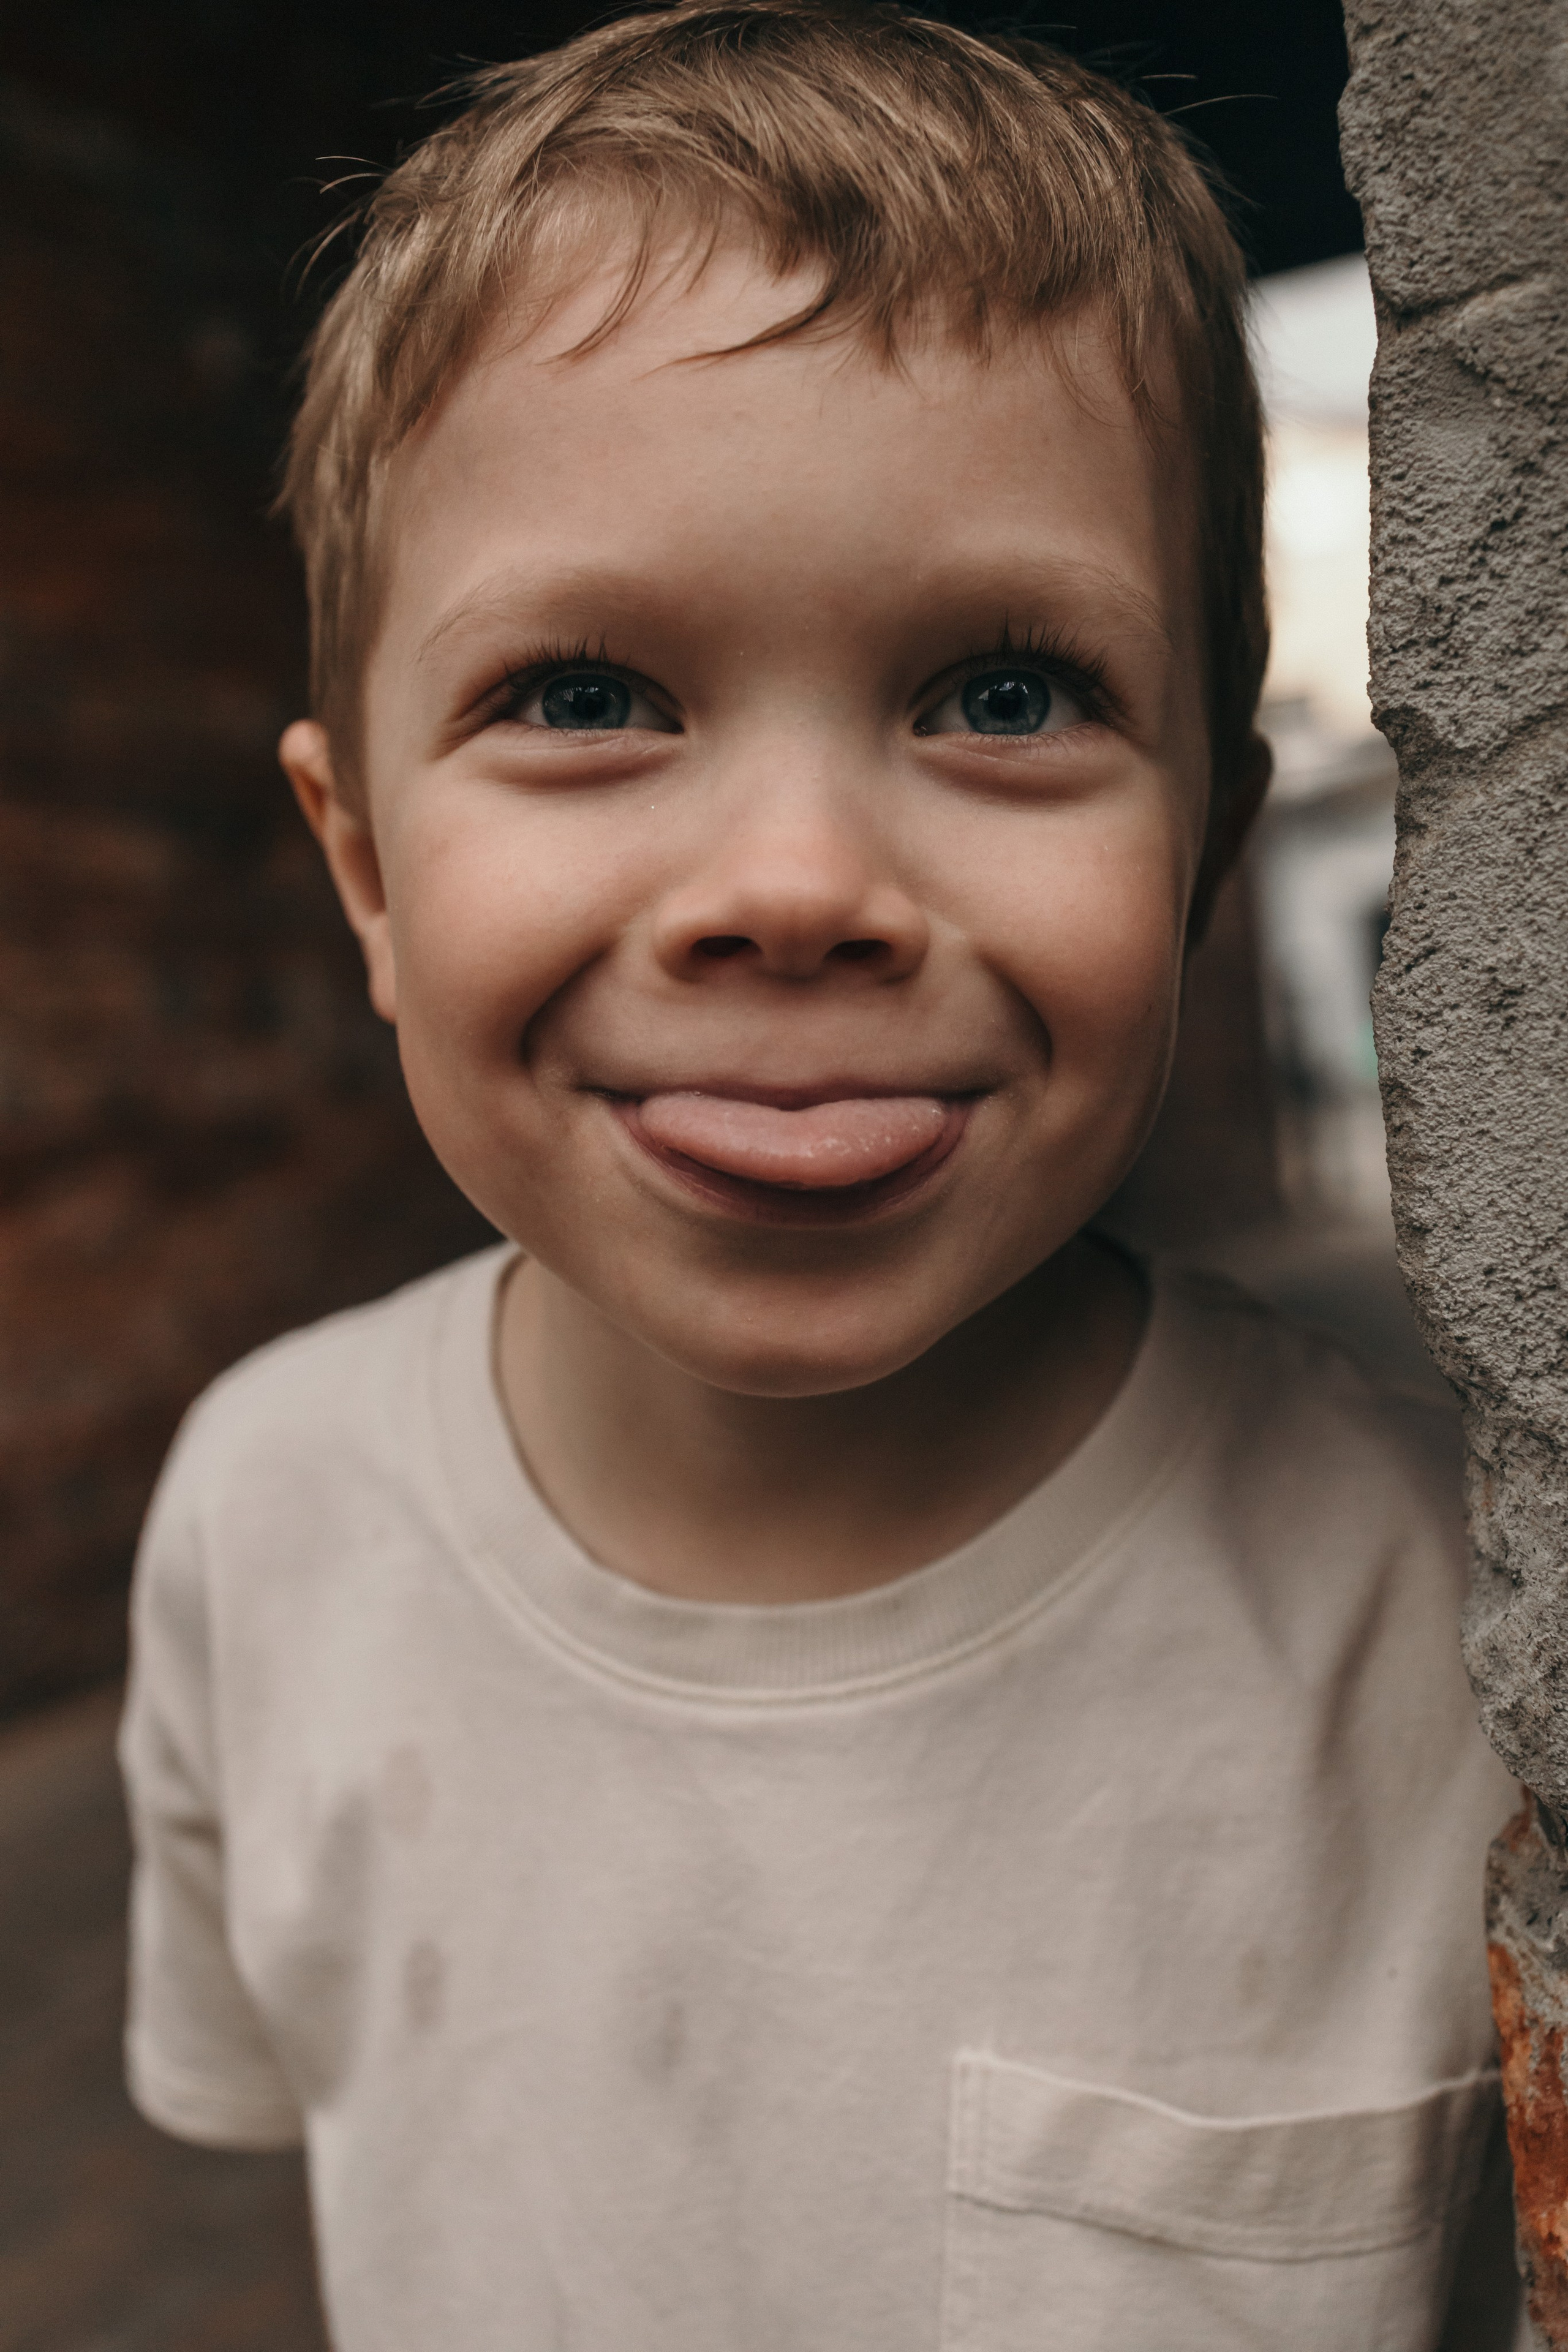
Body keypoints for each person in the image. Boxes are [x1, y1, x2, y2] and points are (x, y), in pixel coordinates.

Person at [118, 5, 1525, 2345]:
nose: (790, 883)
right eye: (584, 695)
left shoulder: (1448, 1632)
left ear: (1203, 867)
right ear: (362, 872)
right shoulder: (265, 1532)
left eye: (1001, 692)